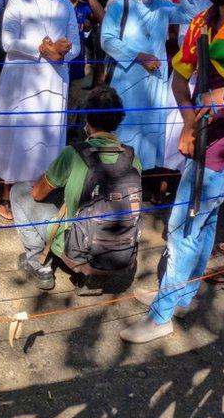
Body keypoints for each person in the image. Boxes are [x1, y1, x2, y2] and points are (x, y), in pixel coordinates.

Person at [121, 0, 224, 343]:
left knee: (184, 224)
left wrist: (223, 97)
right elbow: (179, 76)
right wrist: (189, 123)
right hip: (204, 136)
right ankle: (181, 295)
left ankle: (161, 315)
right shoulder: (204, 20)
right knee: (201, 222)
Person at [0, 0, 81, 220]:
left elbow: (76, 44)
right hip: (23, 79)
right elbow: (8, 41)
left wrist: (61, 53)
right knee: (19, 135)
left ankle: (40, 193)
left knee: (47, 135)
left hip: (55, 77)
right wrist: (40, 49)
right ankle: (7, 195)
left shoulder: (64, 4)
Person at [11, 86, 140, 291]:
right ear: (118, 120)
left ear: (87, 121)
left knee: (18, 192)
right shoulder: (132, 157)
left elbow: (37, 193)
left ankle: (39, 264)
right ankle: (94, 277)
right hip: (120, 252)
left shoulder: (74, 153)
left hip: (77, 247)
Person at [100, 0, 196, 172]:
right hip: (127, 81)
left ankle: (142, 179)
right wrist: (139, 56)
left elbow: (194, 14)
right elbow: (107, 40)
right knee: (124, 128)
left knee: (150, 133)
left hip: (155, 83)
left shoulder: (163, 6)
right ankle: (117, 178)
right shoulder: (121, 5)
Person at [58, 0, 105, 98]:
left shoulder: (83, 3)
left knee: (71, 114)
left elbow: (103, 18)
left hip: (76, 71)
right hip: (54, 68)